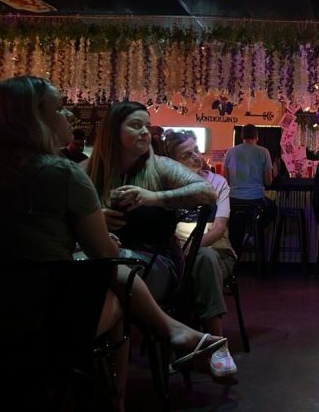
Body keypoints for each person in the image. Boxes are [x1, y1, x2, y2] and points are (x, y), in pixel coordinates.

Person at [0, 77, 224, 411]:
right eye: (59, 108)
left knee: (109, 271)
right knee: (114, 278)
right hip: (42, 319)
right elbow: (105, 255)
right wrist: (93, 227)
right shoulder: (68, 173)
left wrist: (151, 198)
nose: (70, 115)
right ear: (33, 119)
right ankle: (116, 394)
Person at [83, 102, 216, 304]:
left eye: (147, 125)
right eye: (136, 125)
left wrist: (153, 197)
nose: (145, 132)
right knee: (102, 285)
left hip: (156, 260)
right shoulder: (86, 170)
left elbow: (207, 192)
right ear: (113, 131)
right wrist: (94, 220)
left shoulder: (161, 166)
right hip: (103, 257)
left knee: (102, 276)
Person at [163, 130, 238, 377]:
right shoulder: (166, 186)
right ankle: (188, 342)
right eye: (187, 154)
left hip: (216, 251)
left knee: (203, 258)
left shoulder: (217, 182)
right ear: (172, 162)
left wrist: (188, 250)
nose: (196, 157)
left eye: (196, 150)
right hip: (175, 254)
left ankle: (216, 345)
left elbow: (218, 229)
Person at [222, 124, 277, 255]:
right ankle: (253, 233)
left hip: (234, 200)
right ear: (257, 136)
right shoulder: (264, 152)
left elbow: (226, 181)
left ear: (241, 136)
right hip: (256, 200)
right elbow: (268, 182)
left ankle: (235, 254)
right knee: (273, 209)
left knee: (236, 223)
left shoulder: (230, 152)